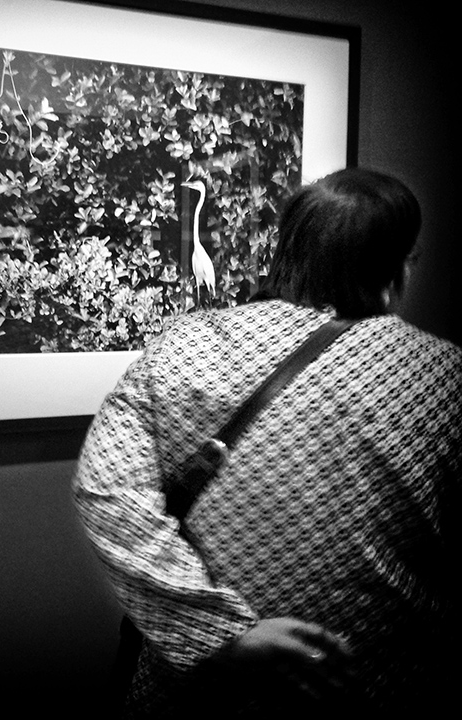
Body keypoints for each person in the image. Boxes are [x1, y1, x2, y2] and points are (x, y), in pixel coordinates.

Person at [72, 167, 461, 717]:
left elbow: (109, 494)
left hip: (200, 704)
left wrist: (218, 635)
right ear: (397, 264)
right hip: (373, 690)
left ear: (289, 249)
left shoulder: (181, 349)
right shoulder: (443, 374)